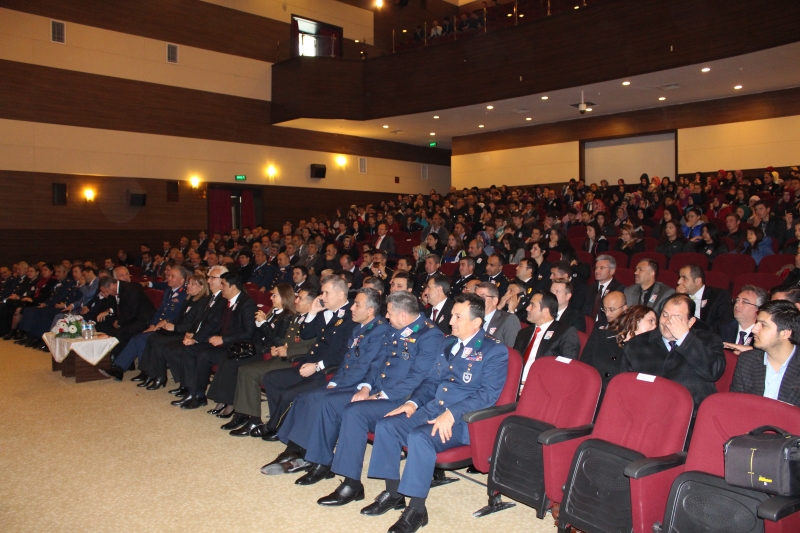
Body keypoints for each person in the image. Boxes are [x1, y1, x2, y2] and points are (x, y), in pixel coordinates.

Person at [362, 294, 508, 532]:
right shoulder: (447, 343)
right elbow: (431, 381)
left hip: (463, 423)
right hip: (432, 408)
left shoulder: (494, 351)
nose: (451, 321)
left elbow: (487, 395)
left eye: (458, 317)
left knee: (420, 437)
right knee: (387, 425)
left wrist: (451, 413)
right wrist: (413, 403)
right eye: (452, 315)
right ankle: (393, 493)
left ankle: (417, 511)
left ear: (476, 322)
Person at [266, 291, 440, 484]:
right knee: (329, 402)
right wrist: (366, 388)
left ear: (403, 315)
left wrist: (379, 395)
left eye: (389, 313)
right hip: (377, 390)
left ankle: (348, 480)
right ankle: (319, 462)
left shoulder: (430, 335)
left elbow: (418, 378)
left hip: (402, 399)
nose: (386, 316)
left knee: (348, 410)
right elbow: (378, 364)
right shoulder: (395, 329)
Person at [260, 288, 392, 473]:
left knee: (318, 399)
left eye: (357, 305)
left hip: (360, 385)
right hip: (346, 380)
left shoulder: (380, 331)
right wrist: (334, 382)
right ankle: (293, 450)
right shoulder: (359, 328)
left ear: (370, 311)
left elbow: (370, 367)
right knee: (303, 398)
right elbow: (346, 362)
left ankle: (305, 454)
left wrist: (350, 386)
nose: (352, 308)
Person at [257, 275, 357, 439]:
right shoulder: (322, 311)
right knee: (271, 379)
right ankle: (282, 423)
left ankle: (274, 426)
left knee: (289, 394)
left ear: (340, 294)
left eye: (326, 293)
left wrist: (317, 366)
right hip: (307, 364)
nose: (321, 297)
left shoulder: (351, 316)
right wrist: (312, 312)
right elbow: (306, 334)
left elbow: (343, 354)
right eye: (321, 293)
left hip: (326, 372)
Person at [220, 289, 317, 435]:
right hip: (282, 357)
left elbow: (311, 346)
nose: (296, 301)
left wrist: (287, 351)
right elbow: (286, 340)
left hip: (295, 362)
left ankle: (253, 421)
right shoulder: (298, 317)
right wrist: (277, 348)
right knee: (245, 370)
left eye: (300, 299)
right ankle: (246, 416)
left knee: (249, 372)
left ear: (312, 304)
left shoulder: (314, 321)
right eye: (296, 298)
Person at [205, 283, 297, 424]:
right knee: (227, 359)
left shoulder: (288, 316)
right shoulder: (273, 312)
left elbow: (278, 341)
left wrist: (264, 324)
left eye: (274, 295)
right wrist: (260, 324)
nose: (271, 297)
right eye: (272, 294)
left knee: (236, 365)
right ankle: (223, 400)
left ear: (285, 297)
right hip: (259, 347)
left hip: (268, 353)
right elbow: (261, 335)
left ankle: (233, 406)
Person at [621, 293, 726, 413]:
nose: (668, 322)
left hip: (692, 416)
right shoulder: (638, 344)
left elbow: (714, 372)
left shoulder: (708, 340)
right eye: (665, 315)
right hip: (647, 413)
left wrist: (685, 338)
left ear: (690, 322)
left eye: (676, 318)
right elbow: (626, 385)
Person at [171, 272, 259, 409]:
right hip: (221, 341)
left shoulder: (247, 303)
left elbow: (248, 332)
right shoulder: (226, 301)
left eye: (223, 285)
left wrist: (223, 339)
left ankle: (199, 395)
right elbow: (214, 324)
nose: (221, 287)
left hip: (237, 347)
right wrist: (196, 337)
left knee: (204, 355)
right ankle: (194, 393)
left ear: (233, 287)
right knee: (190, 349)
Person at [136, 273, 211, 390]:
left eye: (192, 284)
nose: (188, 286)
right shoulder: (189, 299)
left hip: (187, 333)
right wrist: (168, 323)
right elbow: (179, 317)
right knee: (152, 338)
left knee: (158, 342)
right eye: (188, 283)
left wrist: (175, 328)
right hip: (179, 330)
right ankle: (151, 374)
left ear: (201, 287)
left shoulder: (202, 302)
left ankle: (162, 377)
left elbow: (195, 324)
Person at [730, 300, 800, 406]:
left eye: (763, 325)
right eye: (756, 323)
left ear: (785, 333)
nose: (754, 329)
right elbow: (735, 405)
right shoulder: (747, 361)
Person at [513, 291, 581, 384]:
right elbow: (514, 361)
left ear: (545, 311)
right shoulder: (523, 333)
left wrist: (533, 384)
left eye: (532, 305)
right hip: (514, 384)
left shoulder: (564, 332)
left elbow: (567, 369)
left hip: (542, 386)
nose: (527, 308)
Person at [675, 264, 732, 329]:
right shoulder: (680, 296)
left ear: (698, 281)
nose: (679, 282)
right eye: (679, 278)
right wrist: (678, 298)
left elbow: (722, 326)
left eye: (684, 278)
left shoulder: (719, 296)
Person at [718, 285, 768, 351]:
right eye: (737, 300)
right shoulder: (722, 327)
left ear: (759, 309)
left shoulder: (764, 334)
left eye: (744, 302)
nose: (737, 304)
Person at [584, 255, 626, 328]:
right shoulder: (589, 288)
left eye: (601, 268)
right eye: (596, 268)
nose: (597, 271)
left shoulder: (618, 288)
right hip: (588, 326)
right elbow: (584, 310)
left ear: (612, 271)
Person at [474, 282, 520, 347]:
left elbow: (511, 351)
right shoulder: (471, 319)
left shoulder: (508, 319)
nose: (477, 301)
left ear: (494, 301)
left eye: (482, 297)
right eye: (475, 297)